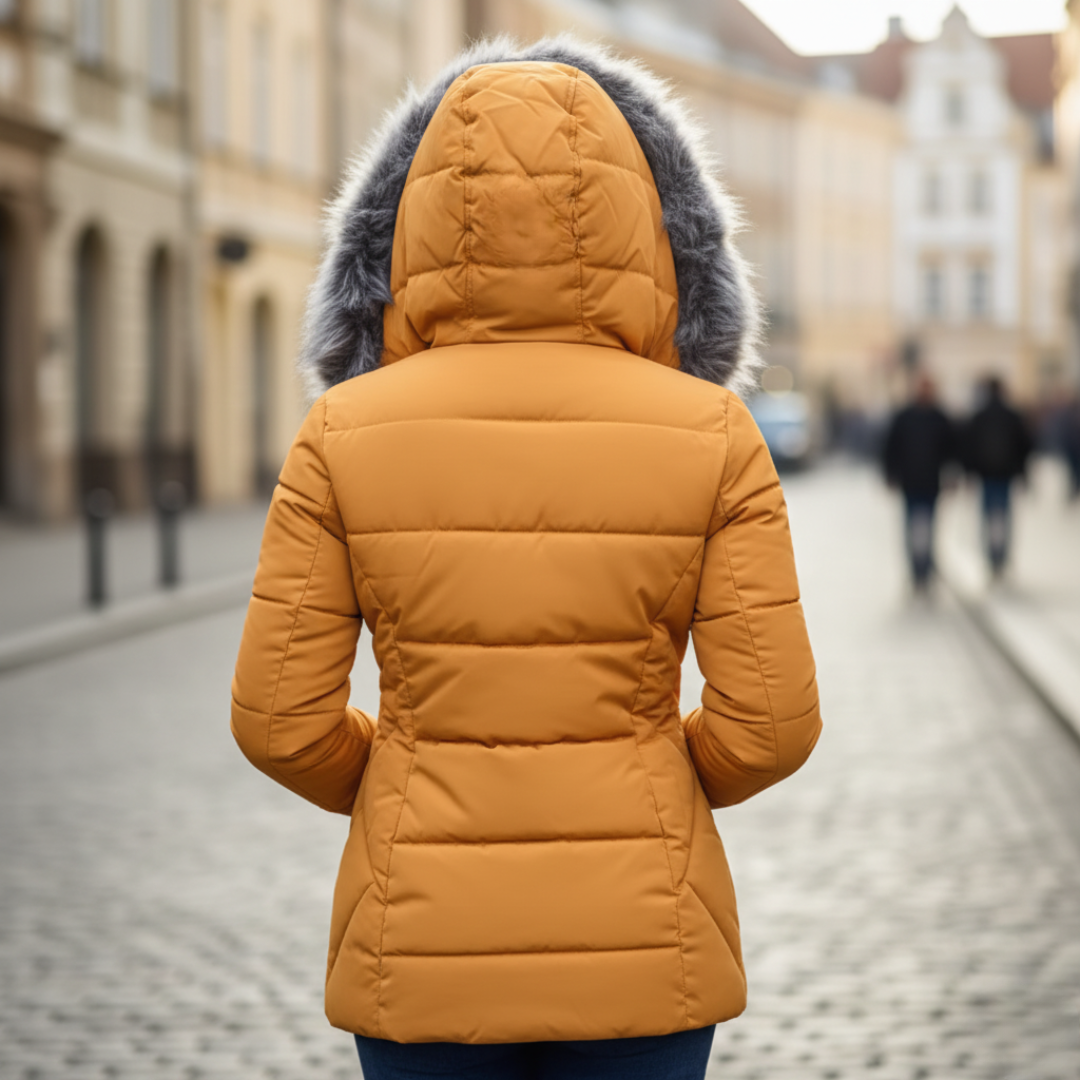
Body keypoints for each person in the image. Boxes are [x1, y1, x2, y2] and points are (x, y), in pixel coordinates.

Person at [231, 39, 822, 1080]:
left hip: (420, 939)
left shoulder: (341, 435)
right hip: (644, 944)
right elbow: (770, 727)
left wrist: (397, 777)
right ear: (653, 219)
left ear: (400, 223)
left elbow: (279, 721)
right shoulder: (714, 435)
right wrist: (656, 777)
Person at [882, 374, 957, 590]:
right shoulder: (904, 417)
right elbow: (891, 447)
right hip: (910, 482)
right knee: (911, 528)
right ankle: (916, 570)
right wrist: (890, 474)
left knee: (929, 527)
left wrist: (952, 476)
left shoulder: (939, 417)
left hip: (931, 482)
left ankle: (926, 567)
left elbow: (950, 450)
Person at [962, 376, 1034, 577]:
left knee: (988, 517)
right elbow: (1025, 446)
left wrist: (969, 472)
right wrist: (1022, 472)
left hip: (986, 475)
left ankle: (992, 557)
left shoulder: (979, 416)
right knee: (1003, 517)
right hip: (1005, 474)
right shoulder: (1012, 415)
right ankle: (1001, 557)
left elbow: (969, 446)